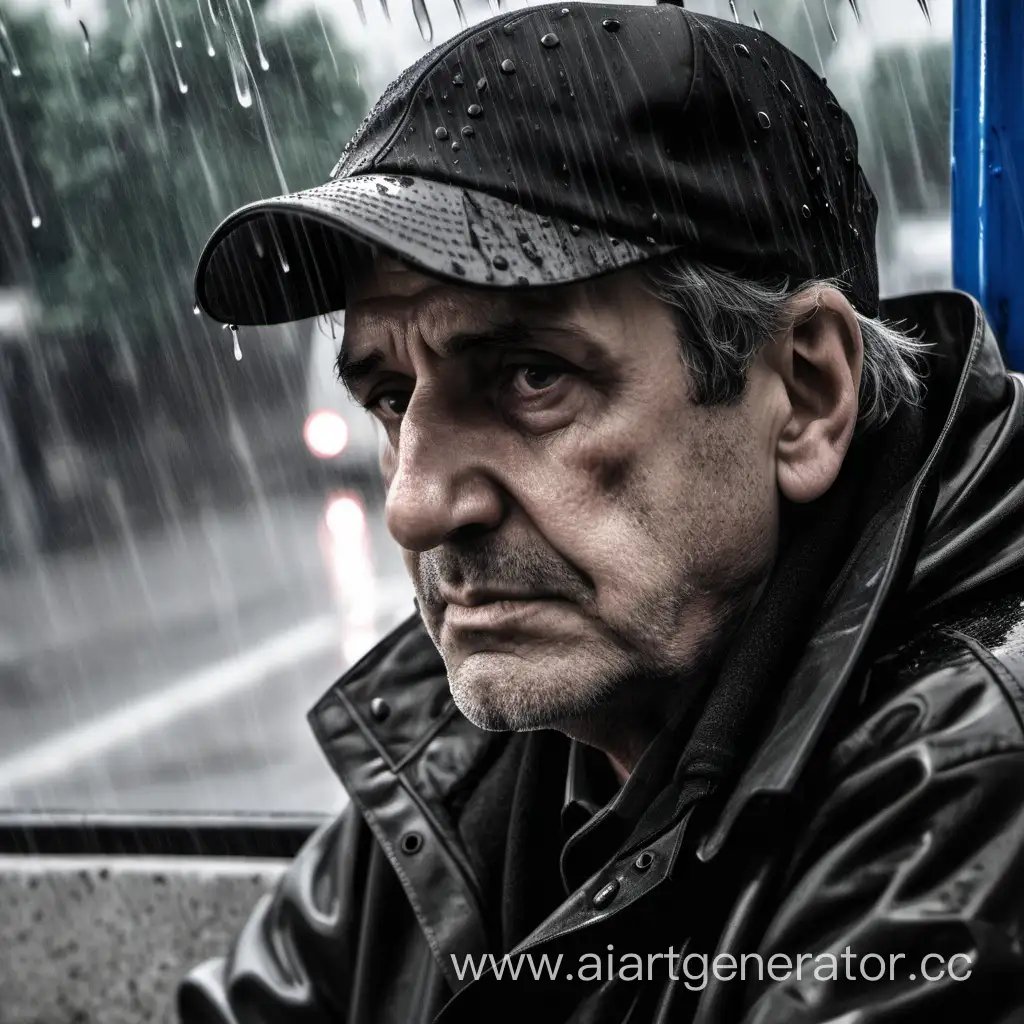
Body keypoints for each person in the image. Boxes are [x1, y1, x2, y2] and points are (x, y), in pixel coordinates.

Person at [180, 3, 1024, 1022]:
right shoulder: (491, 730)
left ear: (802, 395)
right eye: (392, 400)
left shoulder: (968, 772)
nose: (414, 504)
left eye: (532, 378)